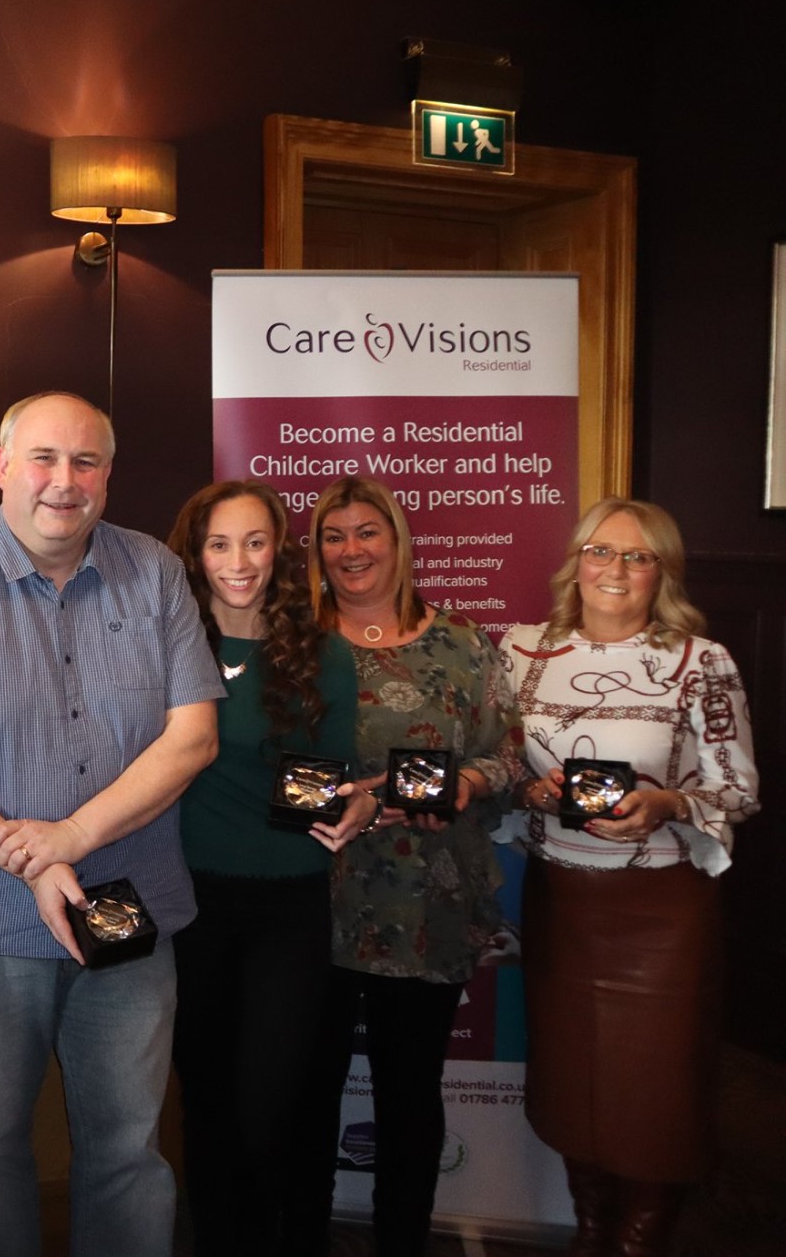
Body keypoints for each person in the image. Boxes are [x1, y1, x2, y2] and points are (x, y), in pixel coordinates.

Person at [0, 391, 223, 1257]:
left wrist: (71, 838)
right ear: (1, 466)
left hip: (129, 910)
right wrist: (28, 858)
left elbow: (194, 738)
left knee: (128, 1146)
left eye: (86, 462)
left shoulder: (156, 572)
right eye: (43, 458)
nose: (63, 482)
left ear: (108, 474)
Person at [500, 498, 757, 1257]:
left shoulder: (701, 661)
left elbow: (737, 789)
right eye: (600, 551)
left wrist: (667, 802)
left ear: (662, 573)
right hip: (564, 902)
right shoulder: (521, 650)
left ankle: (640, 1238)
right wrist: (531, 789)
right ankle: (589, 1226)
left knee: (658, 1087)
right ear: (576, 560)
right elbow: (503, 767)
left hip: (663, 913)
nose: (614, 569)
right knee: (573, 1079)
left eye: (638, 557)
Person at [298, 476, 524, 1257]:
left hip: (426, 908)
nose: (352, 549)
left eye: (368, 532)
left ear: (397, 541)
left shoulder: (461, 641)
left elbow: (508, 755)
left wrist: (464, 781)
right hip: (308, 902)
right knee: (304, 1091)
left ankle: (402, 1242)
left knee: (408, 1094)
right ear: (317, 553)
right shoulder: (292, 640)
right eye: (334, 535)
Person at [163, 479, 372, 1257]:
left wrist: (363, 804)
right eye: (220, 543)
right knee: (207, 1102)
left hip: (289, 902)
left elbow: (328, 784)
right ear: (196, 553)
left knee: (267, 1103)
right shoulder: (165, 644)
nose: (239, 561)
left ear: (279, 552)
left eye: (255, 542)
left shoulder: (321, 653)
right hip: (189, 901)